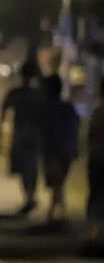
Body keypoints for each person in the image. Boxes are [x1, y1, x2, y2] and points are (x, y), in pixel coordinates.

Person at [0, 61, 46, 215]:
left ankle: (29, 198)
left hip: (22, 135)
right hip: (35, 135)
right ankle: (30, 197)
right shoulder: (38, 93)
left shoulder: (17, 92)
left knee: (25, 168)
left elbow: (4, 111)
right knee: (30, 167)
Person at [39, 75, 79, 223]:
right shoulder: (68, 107)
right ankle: (57, 213)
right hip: (66, 150)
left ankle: (57, 214)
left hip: (54, 150)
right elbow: (75, 128)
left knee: (56, 183)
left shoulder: (47, 107)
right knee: (59, 182)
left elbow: (44, 129)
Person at [86, 77, 104, 251]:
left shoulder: (98, 112)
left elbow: (91, 137)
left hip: (97, 159)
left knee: (95, 197)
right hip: (98, 159)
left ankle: (92, 235)